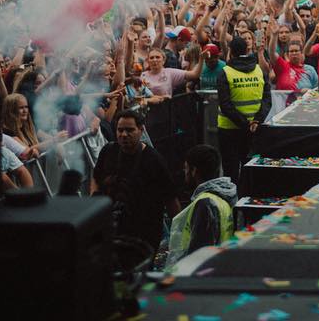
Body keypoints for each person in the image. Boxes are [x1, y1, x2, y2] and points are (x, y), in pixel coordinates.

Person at [91, 108, 178, 252]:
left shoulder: (154, 160)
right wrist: (94, 199)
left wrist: (177, 234)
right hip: (112, 228)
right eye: (120, 130)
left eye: (130, 130)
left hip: (144, 233)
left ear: (141, 130)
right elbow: (96, 176)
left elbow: (170, 199)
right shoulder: (108, 151)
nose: (124, 135)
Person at [165, 144, 237, 270]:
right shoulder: (223, 197)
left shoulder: (205, 203)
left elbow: (199, 252)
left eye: (186, 169)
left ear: (194, 171)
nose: (185, 173)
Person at [217, 36, 272, 182]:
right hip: (254, 129)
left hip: (229, 130)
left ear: (231, 52)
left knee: (230, 172)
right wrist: (256, 121)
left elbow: (225, 104)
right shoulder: (259, 71)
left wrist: (244, 124)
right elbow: (267, 100)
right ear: (247, 50)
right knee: (251, 171)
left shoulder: (225, 72)